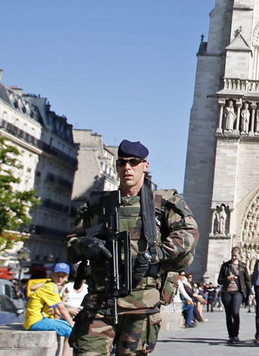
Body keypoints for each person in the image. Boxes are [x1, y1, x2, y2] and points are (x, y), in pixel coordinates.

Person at [67, 139, 199, 356]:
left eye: (133, 162)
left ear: (145, 165)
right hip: (100, 300)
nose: (127, 167)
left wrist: (156, 253)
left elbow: (189, 234)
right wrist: (84, 245)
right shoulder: (95, 206)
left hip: (141, 303)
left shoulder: (164, 203)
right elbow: (70, 246)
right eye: (121, 163)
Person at [25, 263, 75, 354]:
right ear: (52, 274)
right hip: (36, 321)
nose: (60, 279)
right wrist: (71, 323)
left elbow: (33, 287)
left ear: (67, 277)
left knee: (68, 326)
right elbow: (61, 309)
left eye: (63, 276)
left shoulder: (50, 284)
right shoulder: (50, 287)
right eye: (57, 276)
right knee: (72, 330)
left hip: (37, 319)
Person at [217, 246, 249, 344]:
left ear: (239, 255)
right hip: (227, 291)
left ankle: (236, 334)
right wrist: (228, 278)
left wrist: (250, 293)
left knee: (235, 312)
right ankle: (231, 335)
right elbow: (219, 280)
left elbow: (247, 280)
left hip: (238, 291)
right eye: (233, 255)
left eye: (236, 255)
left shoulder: (242, 266)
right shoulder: (225, 266)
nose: (234, 257)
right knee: (228, 314)